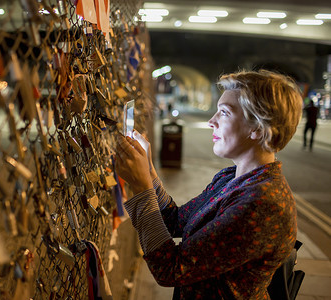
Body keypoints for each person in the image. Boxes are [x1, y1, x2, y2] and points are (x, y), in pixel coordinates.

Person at [115, 70, 303, 299]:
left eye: (224, 112)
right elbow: (175, 221)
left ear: (258, 128)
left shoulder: (263, 204)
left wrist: (141, 187)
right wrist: (150, 174)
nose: (211, 121)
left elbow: (171, 269)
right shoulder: (232, 178)